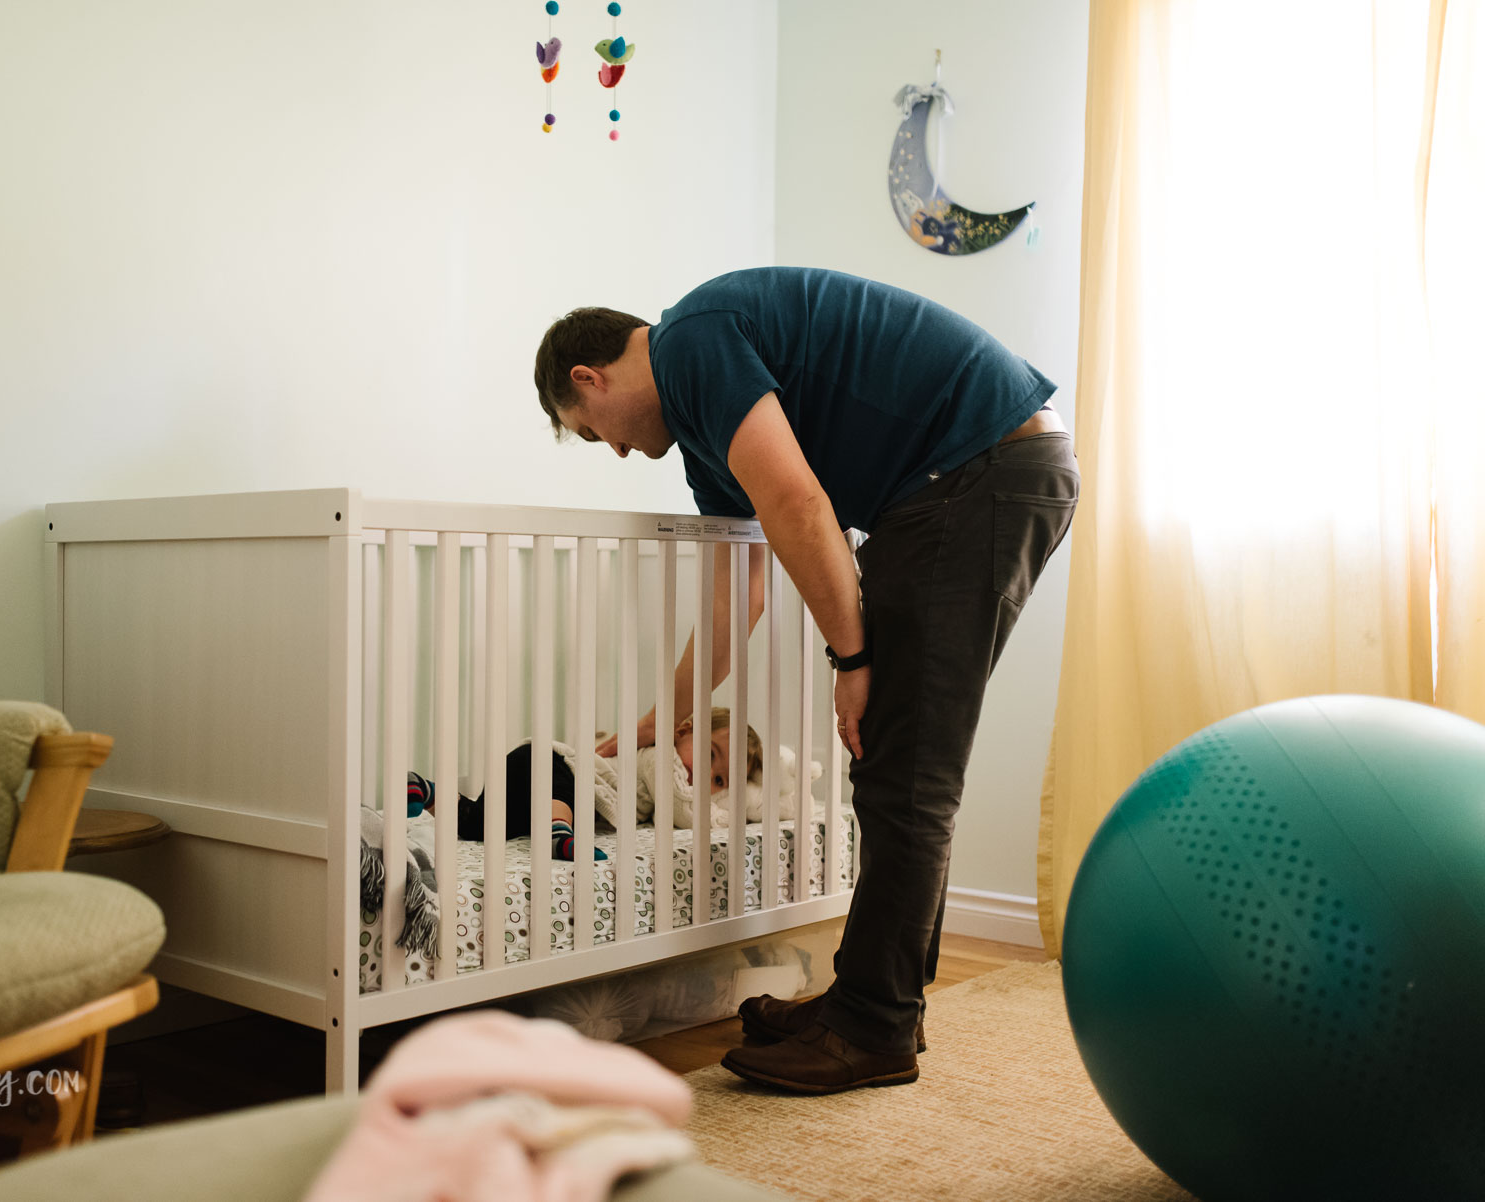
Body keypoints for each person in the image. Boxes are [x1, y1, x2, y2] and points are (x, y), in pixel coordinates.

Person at [533, 266, 1078, 1094]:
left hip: (979, 468)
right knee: (894, 762)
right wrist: (668, 714)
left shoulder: (692, 340)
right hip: (954, 480)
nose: (613, 449)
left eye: (591, 428)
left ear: (590, 377)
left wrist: (852, 661)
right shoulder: (707, 426)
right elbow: (738, 591)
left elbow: (798, 502)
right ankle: (869, 999)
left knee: (907, 767)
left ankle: (874, 1027)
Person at [404, 708, 761, 862]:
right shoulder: (660, 757)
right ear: (682, 731)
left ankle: (426, 791)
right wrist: (733, 814)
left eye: (719, 781)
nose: (703, 776)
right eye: (708, 754)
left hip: (533, 782)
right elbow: (682, 810)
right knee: (564, 791)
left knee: (477, 824)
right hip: (548, 765)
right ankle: (558, 835)